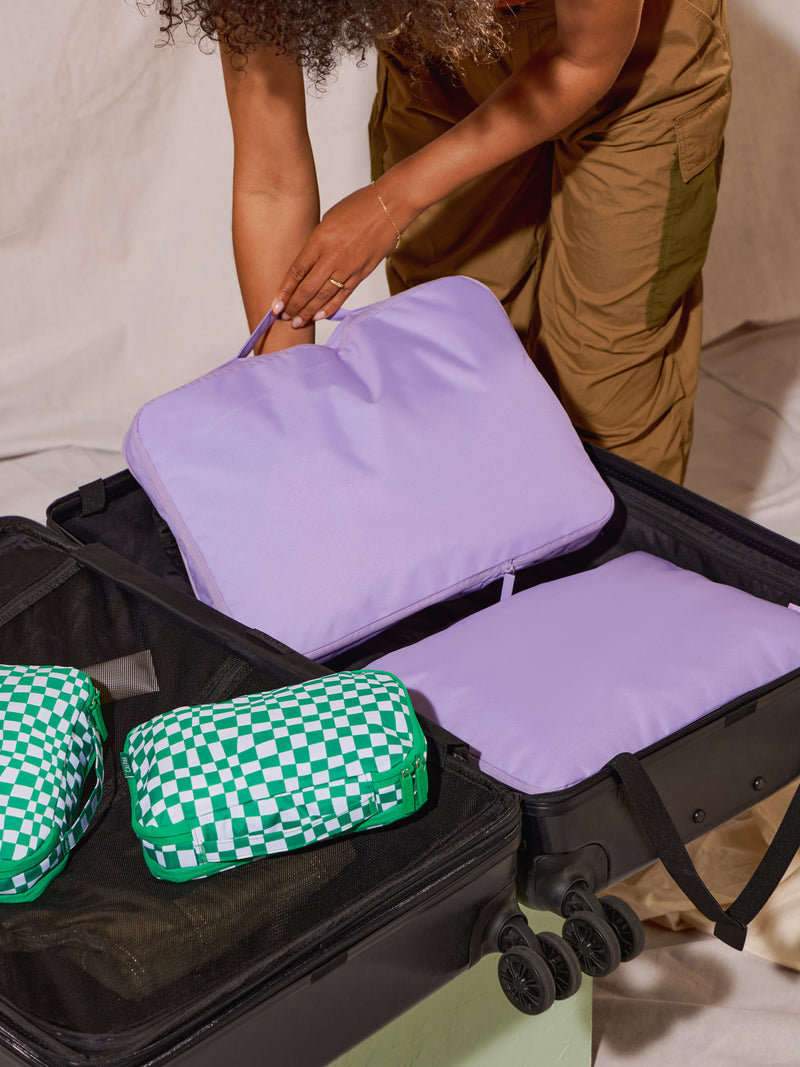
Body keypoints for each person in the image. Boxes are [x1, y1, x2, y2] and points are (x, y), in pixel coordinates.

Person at [154, 0, 731, 483]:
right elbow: (271, 183)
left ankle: (614, 602)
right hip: (438, 51)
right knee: (451, 359)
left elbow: (585, 57)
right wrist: (296, 408)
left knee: (606, 384)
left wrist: (391, 202)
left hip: (636, 69)